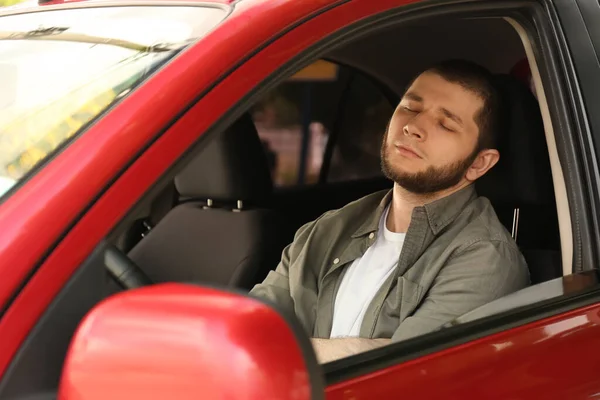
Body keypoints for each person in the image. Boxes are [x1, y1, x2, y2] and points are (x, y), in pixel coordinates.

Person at [250, 60, 530, 363]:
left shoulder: (485, 257)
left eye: (446, 124)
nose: (413, 127)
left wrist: (281, 352)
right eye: (410, 107)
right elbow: (249, 331)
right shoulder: (326, 229)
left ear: (479, 164)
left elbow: (408, 369)